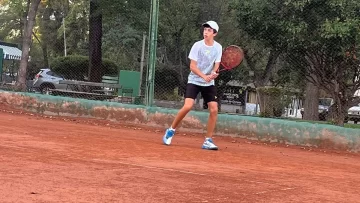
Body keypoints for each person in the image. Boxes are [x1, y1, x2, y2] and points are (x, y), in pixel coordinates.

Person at [162, 20, 223, 150]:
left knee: (214, 109)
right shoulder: (197, 46)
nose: (205, 32)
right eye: (205, 29)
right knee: (188, 106)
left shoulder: (218, 47)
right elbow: (192, 66)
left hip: (209, 83)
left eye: (209, 30)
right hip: (194, 80)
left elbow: (217, 65)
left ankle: (208, 140)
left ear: (215, 34)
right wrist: (204, 76)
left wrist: (214, 73)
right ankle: (171, 130)